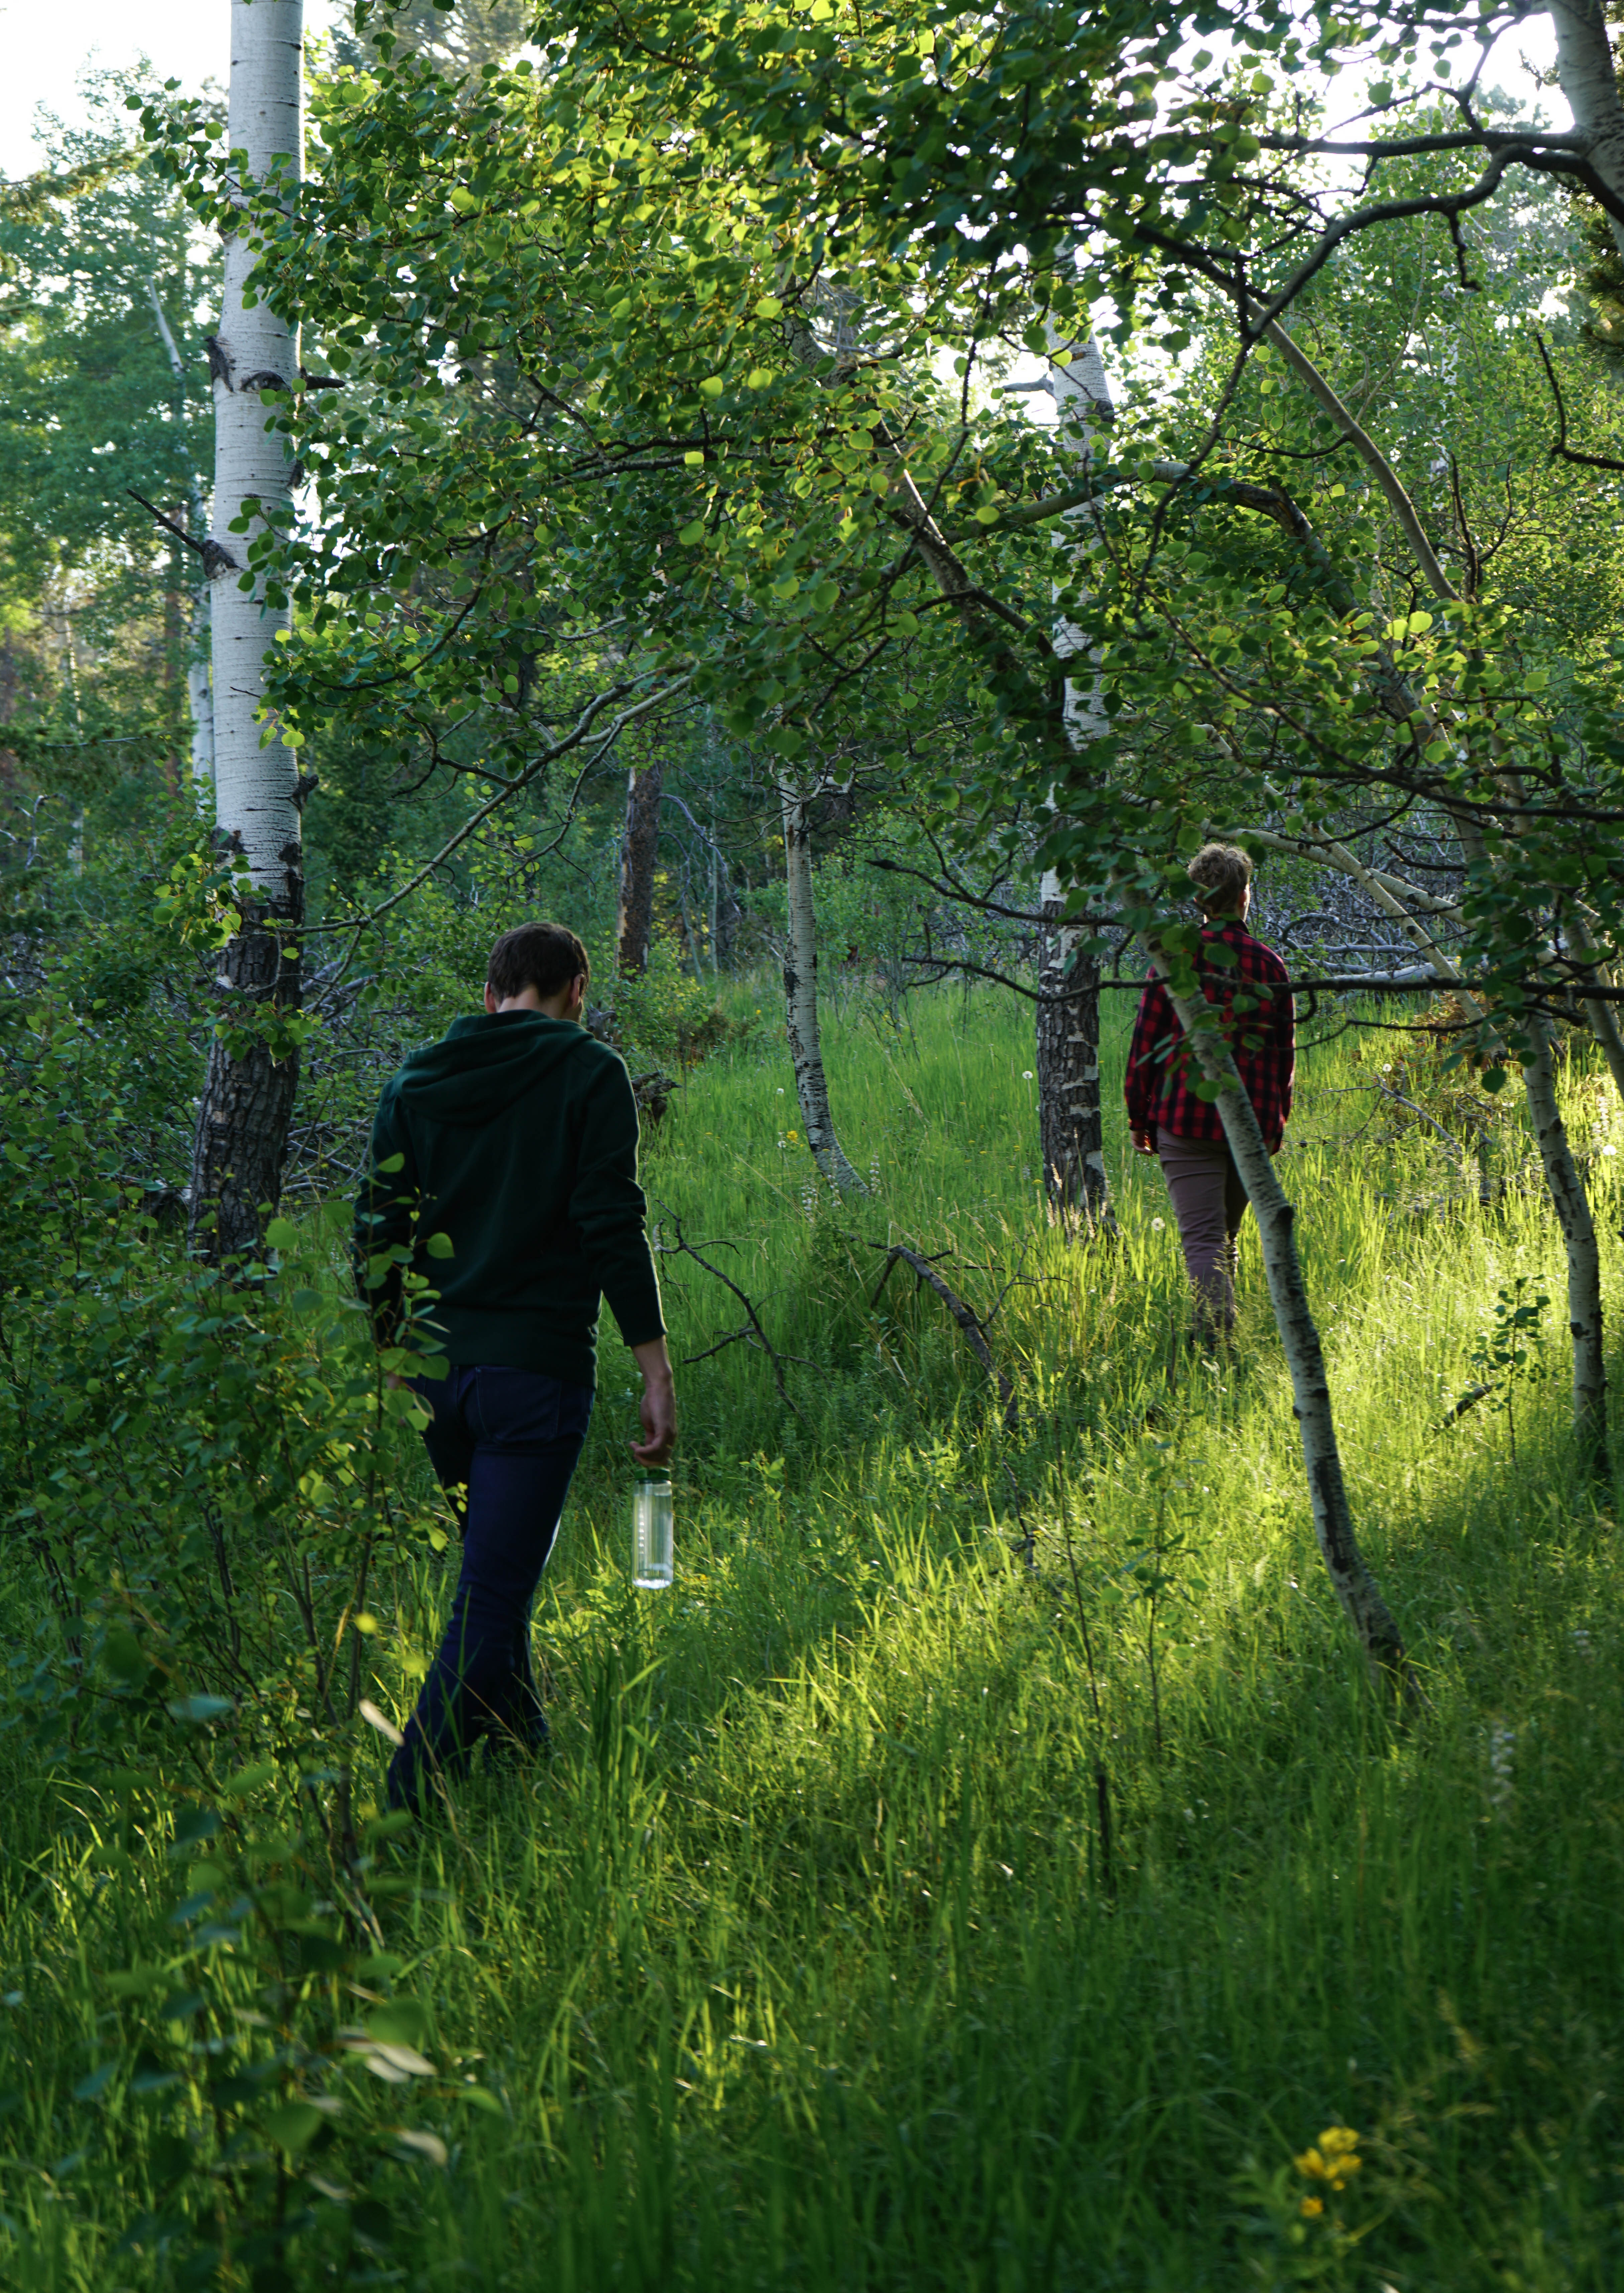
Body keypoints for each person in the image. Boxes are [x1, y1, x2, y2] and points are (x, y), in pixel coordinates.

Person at [354, 920, 675, 1811]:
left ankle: (522, 1742)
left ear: (491, 996)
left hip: (433, 1377)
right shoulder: (589, 1073)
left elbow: (375, 1230)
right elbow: (612, 1224)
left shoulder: (416, 1080)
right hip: (535, 1376)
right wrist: (655, 1369)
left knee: (495, 1570)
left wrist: (391, 1353)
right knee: (492, 1597)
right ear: (577, 989)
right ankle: (401, 1806)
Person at [1124, 843, 1295, 1341]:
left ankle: (1212, 1342)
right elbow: (1282, 1054)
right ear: (1244, 896)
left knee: (1204, 1240)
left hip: (1185, 1118)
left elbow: (1145, 1046)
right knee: (1225, 1239)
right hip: (1249, 1123)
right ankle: (1220, 1338)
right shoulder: (1269, 966)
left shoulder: (1173, 961)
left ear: (1200, 900)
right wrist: (1274, 1126)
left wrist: (1139, 1118)